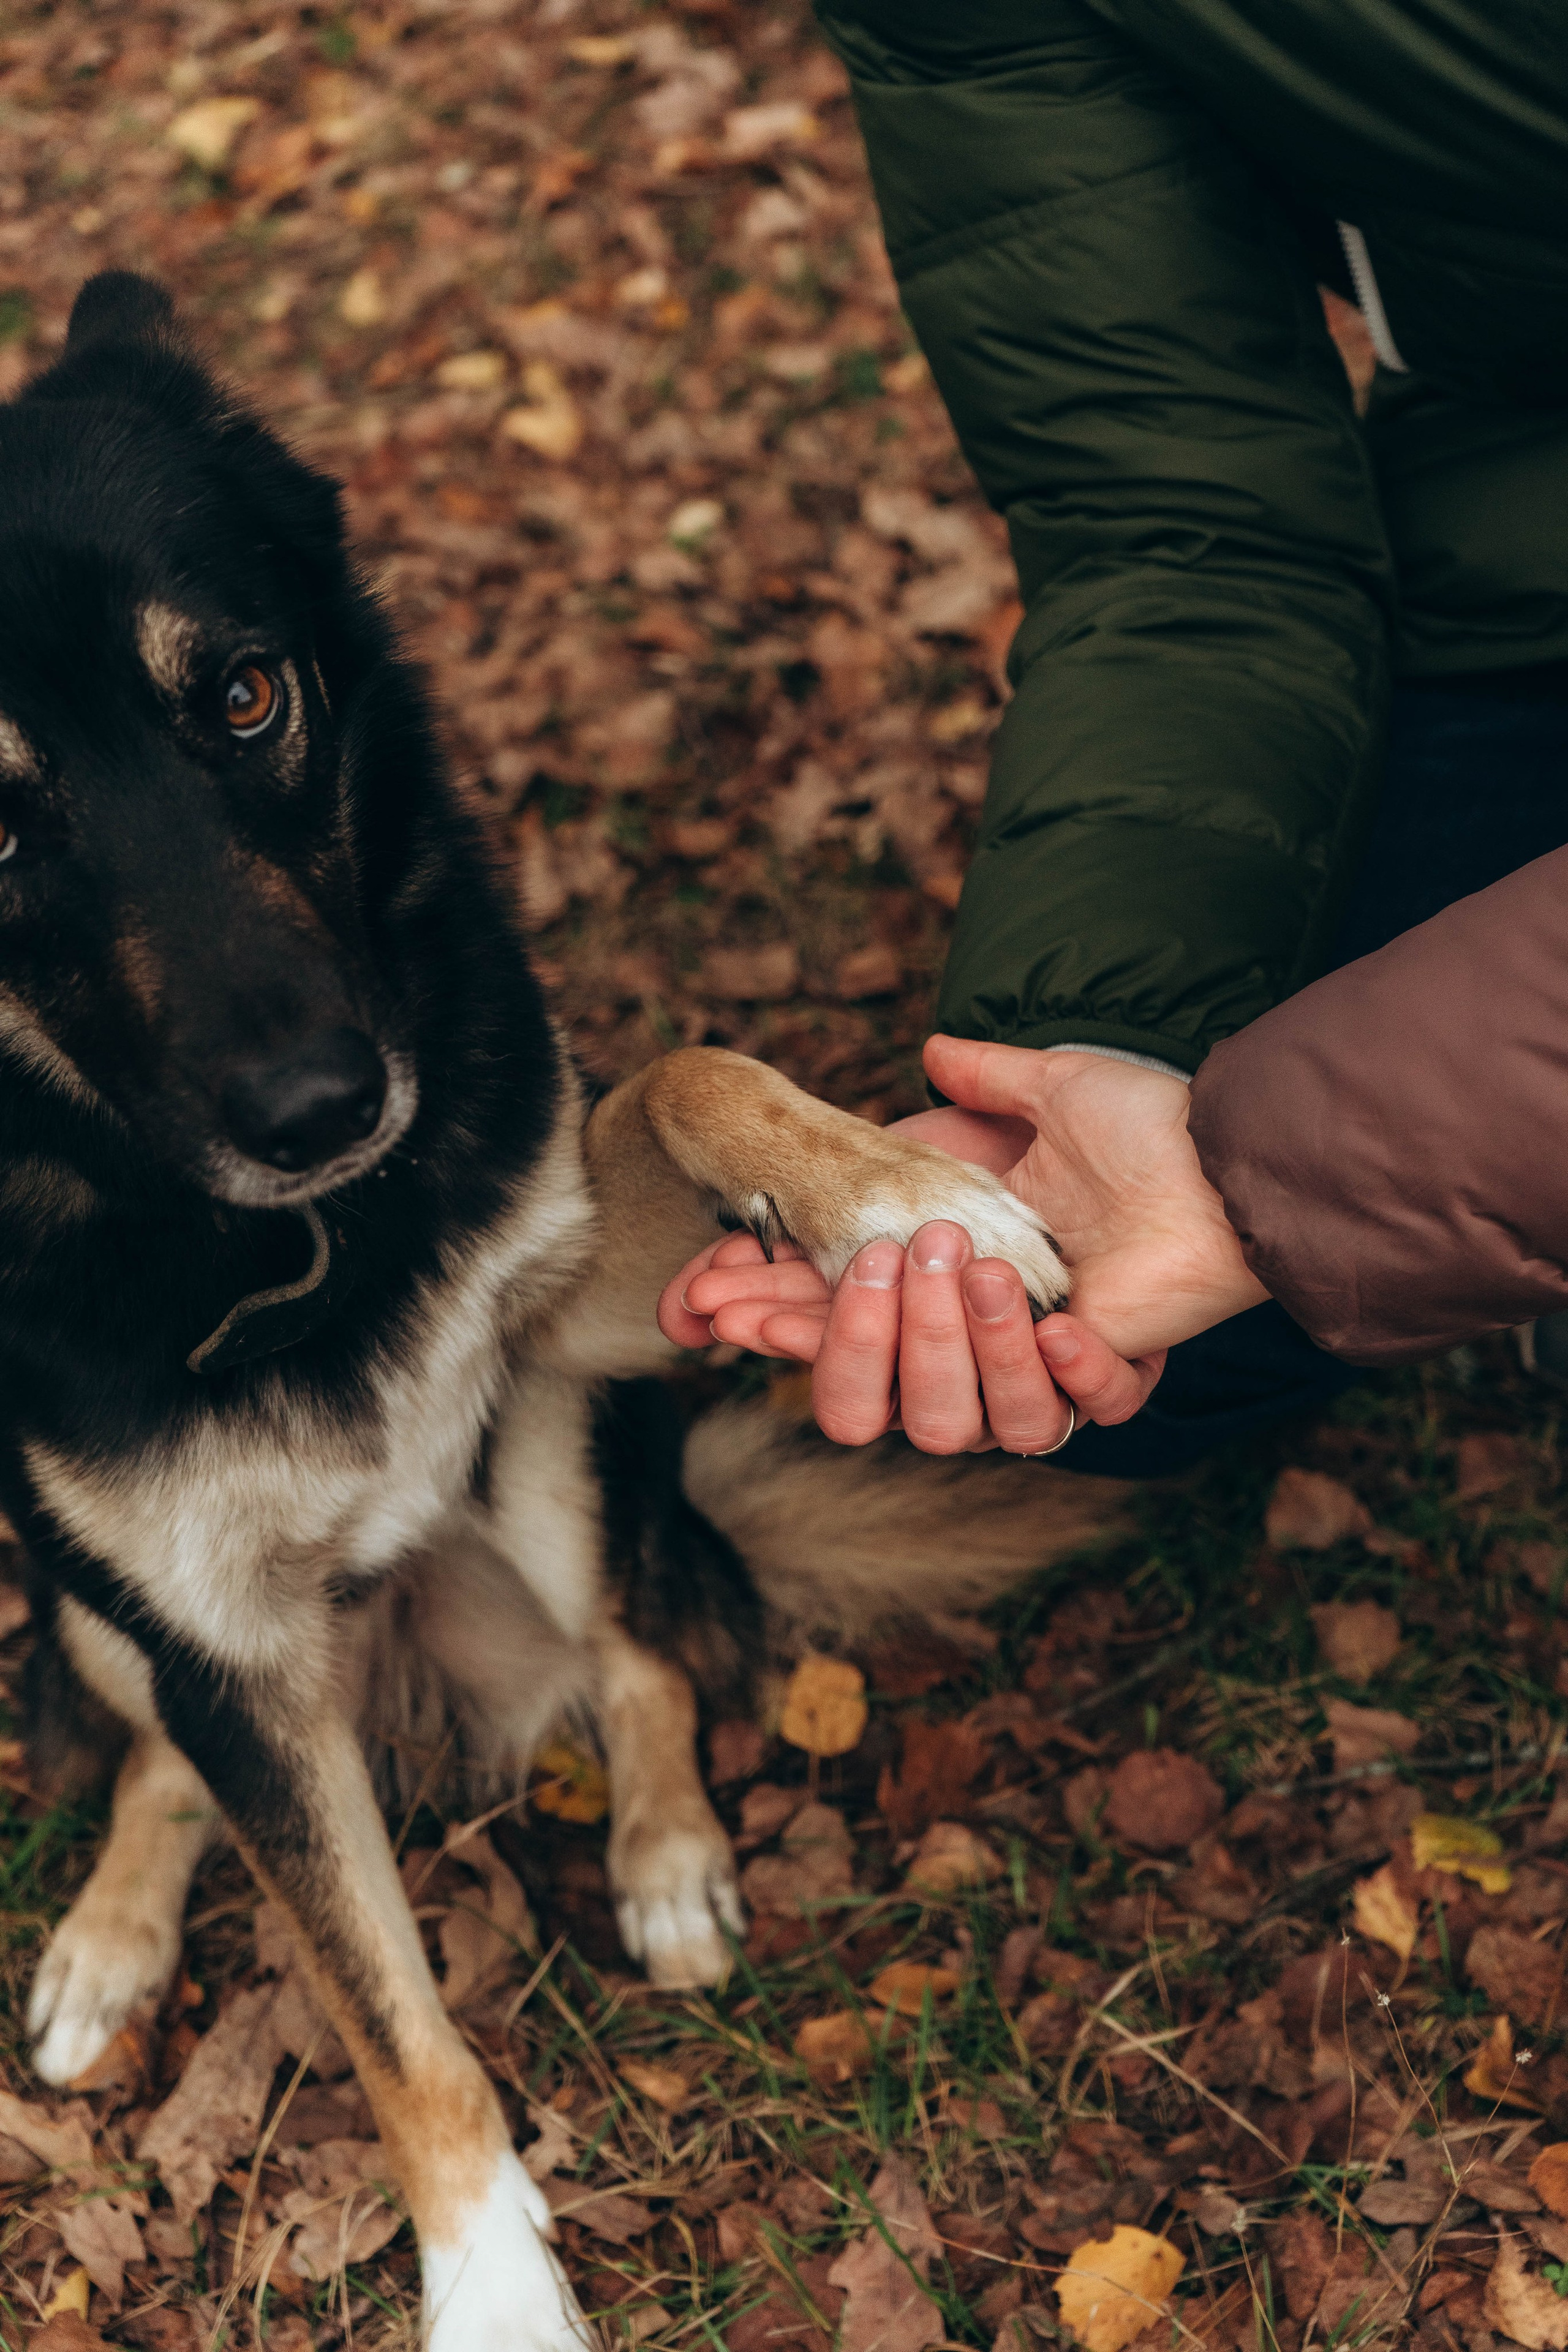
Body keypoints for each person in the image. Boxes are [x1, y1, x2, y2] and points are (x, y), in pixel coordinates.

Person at [660, 0, 1568, 1471]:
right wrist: (1107, 1049)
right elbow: (1181, 518)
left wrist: (1279, 1179)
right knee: (1105, 1342)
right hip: (1523, 540)